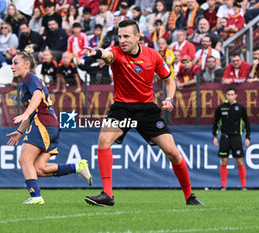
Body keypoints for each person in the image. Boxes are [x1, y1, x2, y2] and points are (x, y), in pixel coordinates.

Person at [83, 19, 203, 206]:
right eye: (120, 36)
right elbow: (107, 55)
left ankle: (190, 196)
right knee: (104, 140)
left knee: (173, 153)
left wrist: (169, 99)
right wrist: (97, 52)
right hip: (122, 108)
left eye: (126, 36)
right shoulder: (116, 52)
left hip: (147, 109)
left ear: (137, 37)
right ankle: (107, 194)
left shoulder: (153, 55)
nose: (122, 40)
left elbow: (170, 81)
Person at [7, 46, 92, 204]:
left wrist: (26, 114)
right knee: (39, 168)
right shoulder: (29, 80)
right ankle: (77, 167)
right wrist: (19, 131)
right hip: (50, 125)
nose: (12, 66)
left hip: (43, 123)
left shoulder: (30, 78)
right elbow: (33, 110)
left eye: (15, 63)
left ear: (26, 65)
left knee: (24, 160)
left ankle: (36, 197)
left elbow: (38, 96)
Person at [213, 86, 250, 190]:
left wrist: (248, 137)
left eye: (232, 95)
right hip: (224, 137)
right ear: (226, 95)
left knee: (239, 161)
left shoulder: (241, 108)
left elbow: (247, 124)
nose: (230, 97)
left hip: (236, 138)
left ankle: (243, 186)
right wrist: (214, 136)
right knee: (224, 161)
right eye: (228, 95)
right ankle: (223, 186)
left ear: (236, 95)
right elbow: (215, 123)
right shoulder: (221, 108)